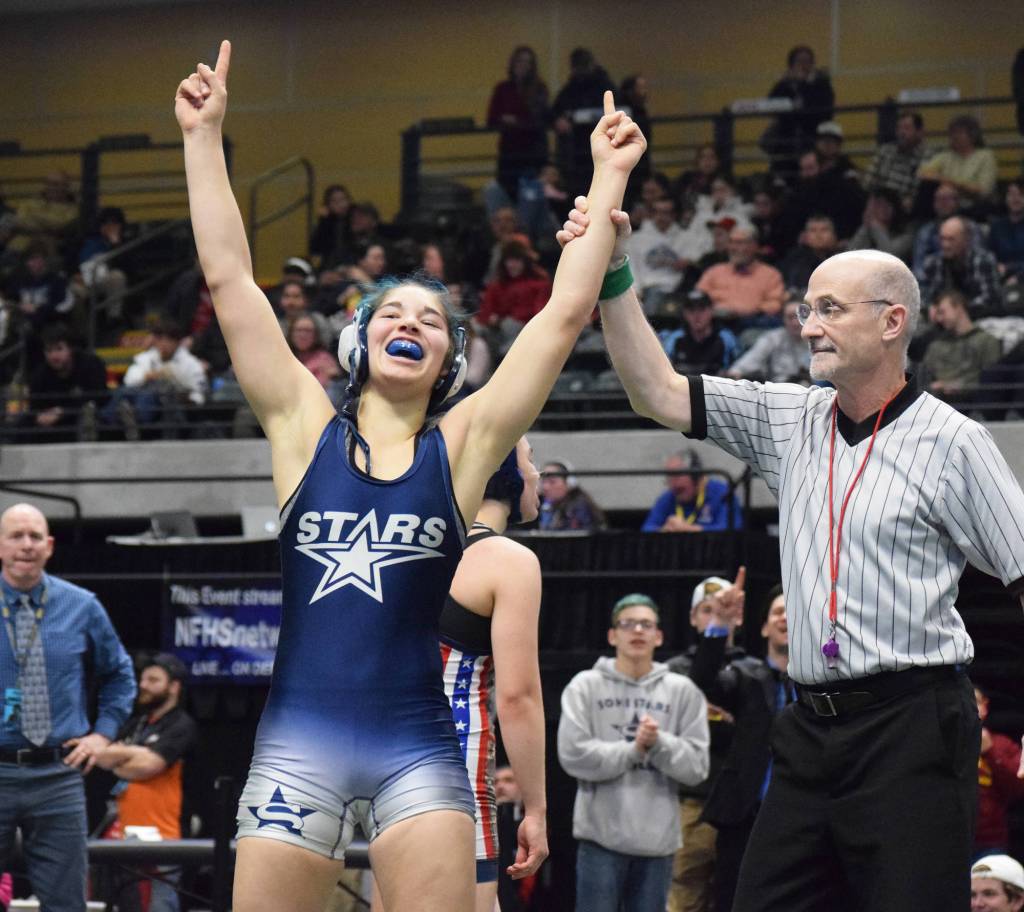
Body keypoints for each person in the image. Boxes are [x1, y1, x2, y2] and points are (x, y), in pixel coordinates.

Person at [175, 42, 644, 912]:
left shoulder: (462, 448)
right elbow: (231, 279)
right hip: (293, 750)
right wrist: (204, 140)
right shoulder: (301, 427)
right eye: (389, 311)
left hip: (416, 747)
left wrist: (608, 175)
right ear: (359, 346)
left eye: (429, 319)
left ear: (447, 361)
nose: (409, 321)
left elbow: (564, 315)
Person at [559, 198, 1024, 910]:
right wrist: (615, 270)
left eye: (830, 309)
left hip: (913, 727)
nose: (808, 326)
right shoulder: (790, 416)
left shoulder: (955, 441)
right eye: (807, 309)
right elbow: (654, 390)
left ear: (891, 320)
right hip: (809, 729)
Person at [374, 439, 547, 912]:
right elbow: (518, 699)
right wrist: (536, 810)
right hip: (455, 784)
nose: (537, 474)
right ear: (505, 472)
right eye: (530, 460)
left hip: (385, 783)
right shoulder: (507, 561)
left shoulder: (402, 548)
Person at [0, 502, 136, 911]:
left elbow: (120, 675)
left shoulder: (82, 605)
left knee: (67, 904)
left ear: (50, 545)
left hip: (57, 776)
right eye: (16, 536)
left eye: (35, 536)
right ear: (0, 545)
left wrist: (101, 736)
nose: (26, 545)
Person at [558, 594, 710, 912]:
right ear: (613, 635)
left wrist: (659, 744)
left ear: (659, 636)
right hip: (599, 840)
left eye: (646, 624)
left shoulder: (682, 691)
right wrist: (633, 750)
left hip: (658, 845)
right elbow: (572, 755)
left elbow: (698, 767)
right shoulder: (584, 686)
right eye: (628, 624)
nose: (637, 631)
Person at [666, 574, 746, 912]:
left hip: (742, 806)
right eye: (707, 610)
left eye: (723, 610)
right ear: (693, 617)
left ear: (738, 617)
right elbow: (678, 724)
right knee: (684, 892)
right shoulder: (671, 673)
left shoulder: (753, 670)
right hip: (690, 803)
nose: (716, 616)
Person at [95, 653, 198, 912]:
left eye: (153, 680)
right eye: (143, 679)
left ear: (173, 687)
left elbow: (151, 765)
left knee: (159, 905)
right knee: (124, 903)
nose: (144, 685)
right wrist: (130, 757)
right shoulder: (136, 724)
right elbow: (103, 757)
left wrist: (123, 756)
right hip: (124, 834)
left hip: (164, 836)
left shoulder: (181, 724)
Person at [26, 323, 109, 443]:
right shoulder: (39, 375)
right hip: (54, 427)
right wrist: (40, 417)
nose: (54, 356)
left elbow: (100, 397)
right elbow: (35, 406)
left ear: (70, 349)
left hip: (89, 417)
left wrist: (63, 412)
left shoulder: (91, 364)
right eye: (49, 350)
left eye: (59, 349)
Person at [486, 46, 550, 204]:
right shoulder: (502, 89)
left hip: (532, 153)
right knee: (507, 194)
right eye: (520, 61)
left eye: (527, 62)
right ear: (513, 63)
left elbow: (541, 118)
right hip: (509, 153)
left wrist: (516, 121)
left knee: (530, 198)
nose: (523, 65)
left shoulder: (539, 89)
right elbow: (491, 118)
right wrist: (504, 120)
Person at [696, 225, 785, 325]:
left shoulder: (770, 275)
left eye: (739, 243)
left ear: (754, 246)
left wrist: (747, 312)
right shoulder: (715, 271)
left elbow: (775, 304)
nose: (733, 247)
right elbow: (698, 297)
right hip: (714, 323)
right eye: (731, 242)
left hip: (751, 324)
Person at [920, 290, 1001, 398]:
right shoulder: (936, 346)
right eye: (937, 314)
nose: (939, 319)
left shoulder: (986, 341)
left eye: (942, 312)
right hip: (938, 402)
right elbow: (923, 380)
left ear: (958, 307)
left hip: (975, 404)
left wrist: (961, 386)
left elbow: (993, 380)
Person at [973, 685, 1024, 856]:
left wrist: (991, 752)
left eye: (976, 702)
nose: (970, 708)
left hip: (990, 842)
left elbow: (1018, 787)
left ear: (984, 706)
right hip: (946, 838)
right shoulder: (940, 745)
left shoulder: (1002, 744)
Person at [918, 216, 1003, 318]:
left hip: (978, 318)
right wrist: (932, 308)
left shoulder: (983, 261)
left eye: (951, 239)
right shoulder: (933, 263)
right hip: (941, 319)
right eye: (942, 239)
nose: (945, 245)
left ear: (966, 240)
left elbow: (991, 299)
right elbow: (923, 296)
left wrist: (958, 311)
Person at [641, 449, 742, 532]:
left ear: (696, 476)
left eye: (677, 476)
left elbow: (731, 529)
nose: (672, 484)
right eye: (669, 478)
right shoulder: (668, 497)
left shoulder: (723, 494)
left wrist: (688, 529)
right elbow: (647, 529)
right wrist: (664, 530)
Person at [725, 298, 811, 383]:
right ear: (783, 319)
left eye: (799, 316)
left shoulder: (817, 338)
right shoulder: (772, 338)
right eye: (790, 317)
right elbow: (748, 362)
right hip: (779, 389)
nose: (795, 323)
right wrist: (734, 375)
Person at [658, 290, 740, 376]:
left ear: (711, 311)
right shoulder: (674, 339)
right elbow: (664, 370)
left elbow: (736, 369)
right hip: (684, 386)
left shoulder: (726, 338)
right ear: (684, 313)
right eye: (691, 310)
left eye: (702, 309)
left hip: (715, 386)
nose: (697, 315)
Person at [918, 114, 998, 203]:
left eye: (959, 132)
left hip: (975, 206)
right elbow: (923, 174)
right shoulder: (945, 156)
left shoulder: (985, 156)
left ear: (972, 135)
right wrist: (958, 186)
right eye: (952, 133)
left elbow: (983, 191)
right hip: (947, 203)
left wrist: (948, 182)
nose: (954, 136)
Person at [864, 110, 929, 211]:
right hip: (878, 205)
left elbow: (916, 194)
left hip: (905, 211)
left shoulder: (927, 158)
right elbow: (868, 183)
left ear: (919, 132)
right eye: (899, 128)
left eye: (907, 128)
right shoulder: (884, 151)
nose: (901, 133)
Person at [539, 460, 607, 531]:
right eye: (543, 481)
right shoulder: (547, 505)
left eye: (552, 482)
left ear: (569, 483)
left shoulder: (578, 508)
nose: (545, 487)